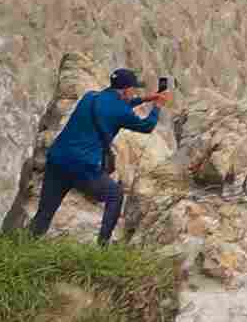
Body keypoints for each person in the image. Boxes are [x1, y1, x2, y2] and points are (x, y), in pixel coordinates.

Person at [28, 68, 166, 243]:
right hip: (82, 167)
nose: (134, 93)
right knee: (115, 195)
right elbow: (147, 126)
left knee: (44, 214)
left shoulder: (90, 97)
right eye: (133, 89)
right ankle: (102, 246)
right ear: (126, 90)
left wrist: (146, 99)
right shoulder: (121, 111)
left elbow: (113, 107)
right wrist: (157, 107)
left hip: (57, 159)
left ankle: (22, 246)